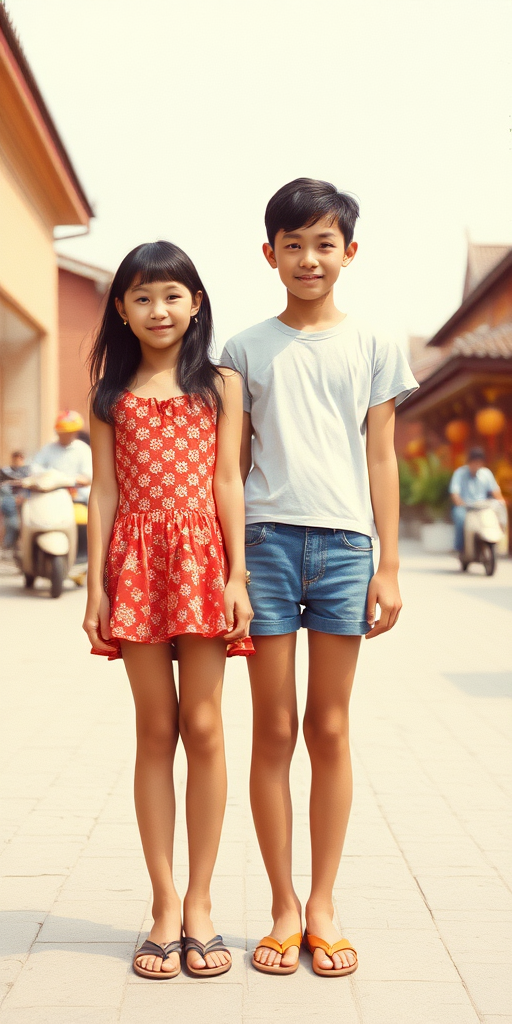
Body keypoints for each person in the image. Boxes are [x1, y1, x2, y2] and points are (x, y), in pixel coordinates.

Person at [220, 178, 419, 977]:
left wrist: (391, 565)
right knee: (272, 730)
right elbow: (231, 468)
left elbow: (382, 454)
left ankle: (324, 904)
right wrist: (231, 569)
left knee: (328, 729)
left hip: (344, 551)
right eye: (293, 244)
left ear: (350, 252)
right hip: (264, 547)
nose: (309, 258)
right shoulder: (241, 349)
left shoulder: (375, 345)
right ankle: (282, 906)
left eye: (324, 243)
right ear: (269, 254)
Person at [82, 241, 253, 980]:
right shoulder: (109, 396)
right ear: (121, 308)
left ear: (197, 303)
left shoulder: (221, 385)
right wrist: (94, 586)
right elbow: (104, 493)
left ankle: (202, 902)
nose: (159, 310)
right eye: (143, 297)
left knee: (205, 726)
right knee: (156, 728)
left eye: (173, 295)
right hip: (136, 566)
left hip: (203, 565)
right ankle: (161, 907)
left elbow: (228, 483)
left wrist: (238, 574)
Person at [450, 446, 505, 552]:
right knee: (460, 519)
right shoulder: (460, 474)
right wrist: (460, 503)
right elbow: (454, 493)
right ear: (469, 463)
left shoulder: (486, 473)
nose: (476, 466)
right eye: (474, 463)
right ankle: (460, 548)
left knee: (498, 517)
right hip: (465, 507)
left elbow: (495, 491)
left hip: (482, 507)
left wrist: (501, 503)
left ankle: (499, 545)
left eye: (479, 463)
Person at [33, 411, 92, 505]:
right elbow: (35, 467)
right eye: (62, 432)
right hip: (51, 494)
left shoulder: (83, 449)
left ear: (75, 432)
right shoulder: (48, 448)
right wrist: (49, 476)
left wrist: (70, 480)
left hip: (78, 496)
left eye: (68, 432)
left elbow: (88, 476)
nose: (64, 435)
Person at [0, 451, 30, 551]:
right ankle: (8, 544)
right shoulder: (5, 471)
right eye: (16, 458)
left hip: (25, 500)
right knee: (12, 522)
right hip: (8, 499)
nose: (18, 461)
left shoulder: (27, 471)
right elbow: (3, 486)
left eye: (20, 458)